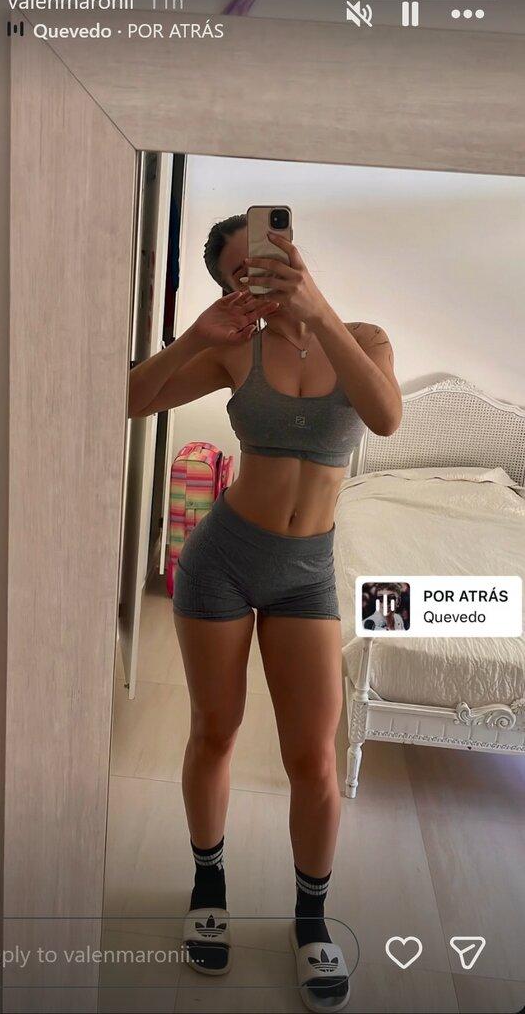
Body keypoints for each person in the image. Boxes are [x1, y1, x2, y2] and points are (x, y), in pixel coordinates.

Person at [128, 213, 402, 1011]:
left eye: (272, 255)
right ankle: (207, 886)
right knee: (214, 731)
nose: (265, 273)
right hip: (221, 561)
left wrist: (317, 312)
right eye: (243, 270)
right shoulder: (230, 349)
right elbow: (128, 401)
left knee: (312, 758)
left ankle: (309, 920)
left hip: (305, 574)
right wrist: (193, 337)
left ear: (294, 253)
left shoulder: (363, 338)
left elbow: (385, 417)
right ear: (230, 285)